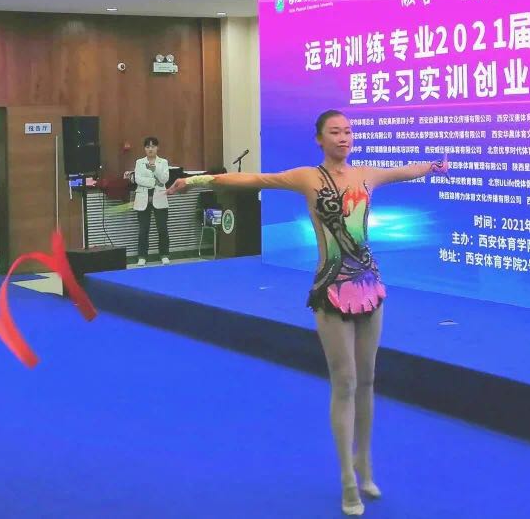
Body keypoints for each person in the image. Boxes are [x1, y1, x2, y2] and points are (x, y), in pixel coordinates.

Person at [169, 110, 447, 516]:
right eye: (335, 132)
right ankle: (347, 479)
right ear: (319, 138)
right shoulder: (308, 178)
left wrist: (433, 166)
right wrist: (198, 181)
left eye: (348, 131)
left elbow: (405, 171)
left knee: (368, 380)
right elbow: (256, 179)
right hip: (331, 289)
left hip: (369, 284)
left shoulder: (367, 175)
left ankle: (365, 463)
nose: (343, 137)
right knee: (345, 382)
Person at [130, 136, 170, 266]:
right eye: (147, 147)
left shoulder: (163, 162)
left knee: (162, 228)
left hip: (159, 197)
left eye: (153, 146)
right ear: (144, 148)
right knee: (143, 229)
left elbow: (164, 179)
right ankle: (142, 256)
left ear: (157, 148)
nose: (150, 149)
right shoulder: (139, 162)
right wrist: (153, 182)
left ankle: (164, 254)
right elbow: (138, 179)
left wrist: (155, 169)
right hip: (143, 199)